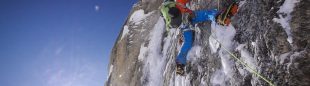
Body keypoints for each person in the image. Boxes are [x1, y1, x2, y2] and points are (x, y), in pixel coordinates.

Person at [160, 0, 218, 75]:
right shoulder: (177, 3)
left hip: (184, 26)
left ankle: (180, 64)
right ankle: (218, 16)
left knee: (187, 42)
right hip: (189, 18)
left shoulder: (168, 12)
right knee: (204, 15)